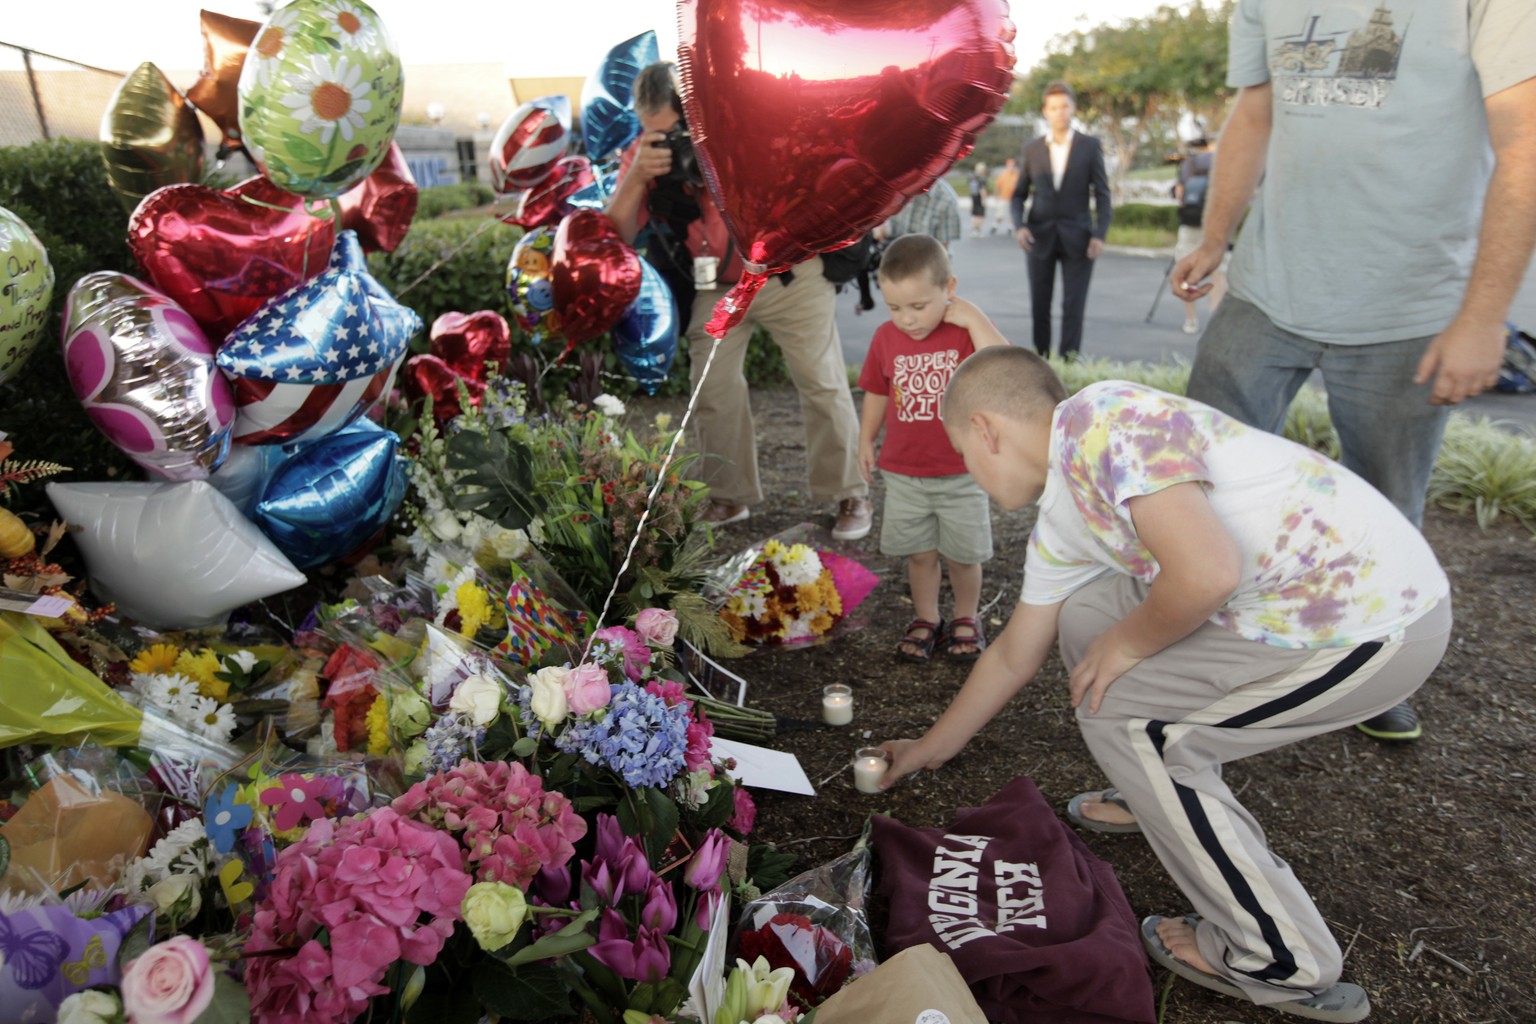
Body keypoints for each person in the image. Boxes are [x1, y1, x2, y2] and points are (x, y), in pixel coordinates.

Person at [881, 346, 1451, 1022]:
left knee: (1130, 721)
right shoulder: (1065, 512)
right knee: (1090, 611)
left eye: (961, 454)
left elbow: (1206, 573)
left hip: (1371, 626)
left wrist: (1125, 646)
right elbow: (1013, 656)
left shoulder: (1102, 419)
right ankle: (1148, 787)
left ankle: (1280, 953)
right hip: (1288, 610)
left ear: (986, 429)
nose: (967, 475)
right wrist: (928, 748)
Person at [1172, 0, 1535, 743]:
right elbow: (1255, 113)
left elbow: (1524, 137)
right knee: (1197, 477)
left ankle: (1374, 667)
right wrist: (1215, 236)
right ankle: (1209, 642)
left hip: (1407, 307)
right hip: (1267, 290)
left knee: (1388, 508)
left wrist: (1481, 316)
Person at [606, 63, 873, 540]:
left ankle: (849, 491)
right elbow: (618, 234)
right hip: (718, 286)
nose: (669, 145)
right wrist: (636, 178)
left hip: (791, 272)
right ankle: (729, 497)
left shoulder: (741, 126)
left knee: (822, 381)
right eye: (655, 135)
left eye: (675, 133)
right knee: (712, 384)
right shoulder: (644, 155)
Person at [856, 235, 1009, 662]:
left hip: (960, 472)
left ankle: (965, 615)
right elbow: (876, 392)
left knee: (963, 556)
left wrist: (974, 317)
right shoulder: (886, 338)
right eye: (895, 307)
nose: (907, 319)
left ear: (949, 289)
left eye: (919, 306)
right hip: (905, 472)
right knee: (920, 554)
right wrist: (865, 439)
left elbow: (1005, 364)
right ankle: (926, 616)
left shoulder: (963, 336)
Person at [1010, 81, 1113, 359]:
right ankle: (1041, 363)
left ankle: (1069, 363)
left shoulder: (1089, 146)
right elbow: (1018, 195)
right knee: (1039, 306)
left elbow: (1103, 195)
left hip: (1078, 238)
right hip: (1039, 236)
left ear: (1073, 109)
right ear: (1045, 111)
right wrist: (1019, 227)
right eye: (1054, 108)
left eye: (1064, 107)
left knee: (1073, 306)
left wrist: (1099, 235)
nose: (1060, 113)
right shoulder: (1032, 149)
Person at [1172, 137, 1224, 335]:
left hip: (1190, 224)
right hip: (1216, 225)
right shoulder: (1221, 161)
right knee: (1219, 272)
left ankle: (1191, 320)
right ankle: (1214, 317)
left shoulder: (1189, 164)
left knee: (1186, 270)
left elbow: (1179, 193)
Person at [880, 178, 963, 252]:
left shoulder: (946, 199)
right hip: (890, 258)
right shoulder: (895, 184)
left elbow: (942, 249)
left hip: (925, 264)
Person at [988, 157, 1019, 235]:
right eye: (1010, 165)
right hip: (1003, 197)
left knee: (1012, 214)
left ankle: (1010, 228)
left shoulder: (1017, 175)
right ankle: (995, 226)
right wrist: (996, 196)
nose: (1011, 167)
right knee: (1000, 214)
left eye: (1013, 165)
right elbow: (998, 186)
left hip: (1013, 198)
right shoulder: (1003, 174)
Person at [966, 163, 988, 238]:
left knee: (975, 214)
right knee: (980, 215)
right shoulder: (982, 178)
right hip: (979, 198)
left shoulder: (973, 177)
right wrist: (984, 200)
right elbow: (983, 190)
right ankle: (977, 230)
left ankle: (974, 230)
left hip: (973, 197)